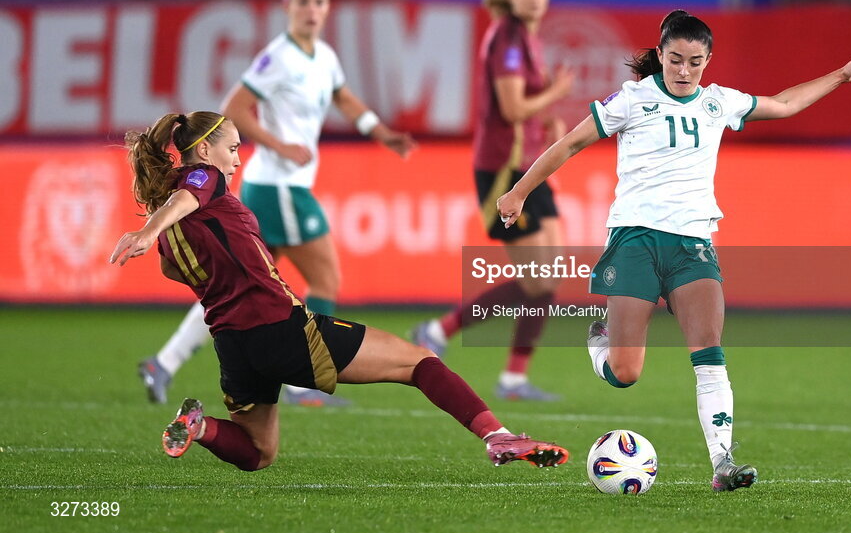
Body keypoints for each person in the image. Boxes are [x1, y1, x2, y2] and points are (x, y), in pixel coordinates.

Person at [497, 10, 851, 491]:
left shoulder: (719, 103)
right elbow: (570, 143)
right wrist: (518, 192)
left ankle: (723, 465)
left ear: (708, 61)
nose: (684, 71)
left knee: (710, 354)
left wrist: (843, 76)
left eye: (695, 63)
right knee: (625, 373)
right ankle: (600, 344)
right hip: (635, 240)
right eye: (675, 60)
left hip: (692, 246)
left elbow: (784, 104)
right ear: (659, 55)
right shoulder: (632, 100)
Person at [111, 112, 569, 472]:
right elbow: (191, 192)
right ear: (204, 150)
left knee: (258, 453)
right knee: (419, 361)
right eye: (232, 148)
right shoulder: (202, 181)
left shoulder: (176, 229)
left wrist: (164, 234)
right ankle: (498, 435)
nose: (236, 158)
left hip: (233, 345)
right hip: (281, 329)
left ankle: (201, 426)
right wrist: (149, 231)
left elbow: (177, 265)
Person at [138, 0, 415, 407]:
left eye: (319, 2)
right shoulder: (278, 57)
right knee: (326, 275)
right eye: (302, 2)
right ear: (288, 8)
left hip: (278, 188)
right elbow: (232, 108)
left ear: (327, 9)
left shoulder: (323, 56)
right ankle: (304, 384)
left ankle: (165, 362)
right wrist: (279, 144)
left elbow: (342, 97)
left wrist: (381, 132)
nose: (311, 10)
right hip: (279, 186)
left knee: (236, 281)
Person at [412, 0, 574, 401]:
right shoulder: (506, 37)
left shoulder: (526, 38)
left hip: (530, 164)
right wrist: (558, 93)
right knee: (535, 277)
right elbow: (513, 110)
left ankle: (512, 378)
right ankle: (440, 330)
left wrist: (551, 125)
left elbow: (529, 110)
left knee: (547, 276)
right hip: (503, 169)